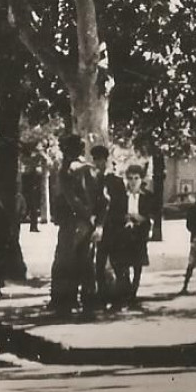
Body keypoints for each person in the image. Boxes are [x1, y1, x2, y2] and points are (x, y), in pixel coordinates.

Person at [49, 135, 101, 316]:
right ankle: (89, 304)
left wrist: (84, 215)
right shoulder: (91, 170)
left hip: (72, 223)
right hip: (88, 223)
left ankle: (65, 304)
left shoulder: (66, 171)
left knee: (65, 263)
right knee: (86, 264)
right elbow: (103, 198)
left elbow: (72, 199)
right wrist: (95, 220)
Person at [91, 146, 132, 312]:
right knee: (100, 264)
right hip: (106, 228)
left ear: (105, 159)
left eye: (100, 159)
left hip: (113, 228)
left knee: (117, 264)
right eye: (95, 159)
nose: (98, 162)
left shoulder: (113, 180)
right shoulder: (97, 179)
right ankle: (105, 298)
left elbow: (119, 205)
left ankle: (120, 300)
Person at [122, 165, 156, 307]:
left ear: (141, 179)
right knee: (123, 265)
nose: (133, 181)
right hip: (124, 233)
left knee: (137, 265)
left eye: (136, 178)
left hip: (140, 234)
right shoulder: (122, 195)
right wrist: (126, 219)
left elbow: (150, 216)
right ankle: (126, 291)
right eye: (130, 178)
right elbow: (117, 213)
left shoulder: (147, 196)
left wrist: (138, 218)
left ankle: (133, 294)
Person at [21, 165, 43, 233]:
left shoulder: (27, 176)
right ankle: (33, 227)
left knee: (33, 212)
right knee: (33, 211)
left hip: (31, 195)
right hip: (31, 195)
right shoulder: (32, 176)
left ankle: (33, 227)